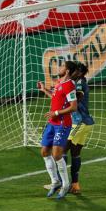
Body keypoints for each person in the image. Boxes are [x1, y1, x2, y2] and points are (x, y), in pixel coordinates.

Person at [37, 61, 79, 199]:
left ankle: (66, 184)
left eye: (62, 66)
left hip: (62, 124)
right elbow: (56, 98)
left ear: (67, 71)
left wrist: (56, 113)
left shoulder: (69, 85)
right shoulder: (59, 83)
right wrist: (45, 90)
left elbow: (73, 107)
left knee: (56, 155)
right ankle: (55, 181)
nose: (59, 68)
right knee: (44, 151)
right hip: (52, 123)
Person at [64, 62, 94, 194]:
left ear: (80, 72)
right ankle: (75, 185)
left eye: (76, 71)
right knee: (75, 154)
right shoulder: (78, 82)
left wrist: (65, 96)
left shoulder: (79, 82)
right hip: (85, 122)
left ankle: (62, 183)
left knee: (61, 150)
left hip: (79, 122)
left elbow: (79, 96)